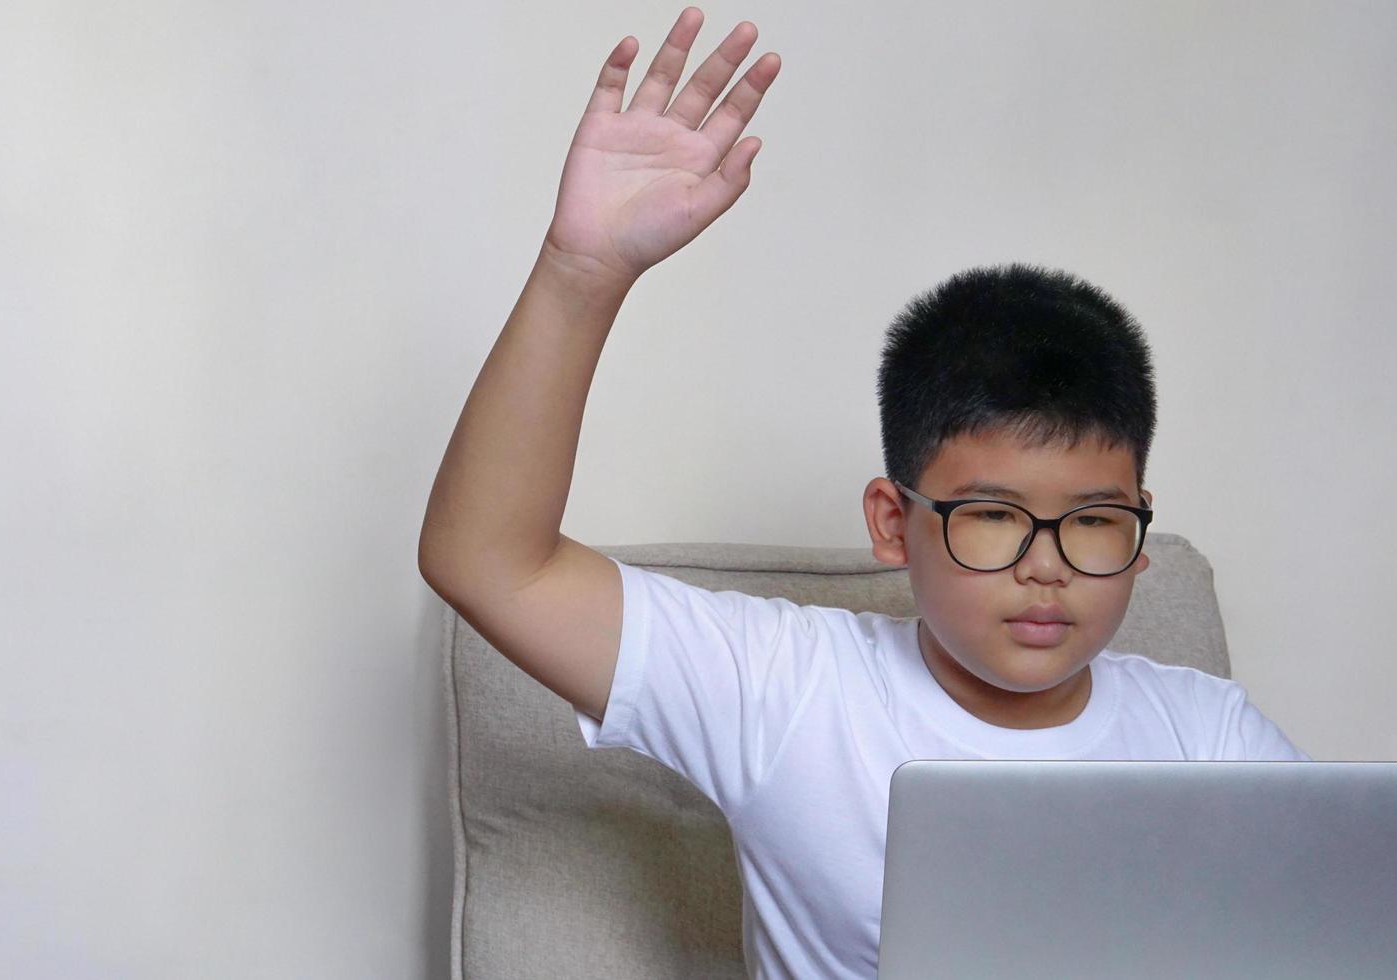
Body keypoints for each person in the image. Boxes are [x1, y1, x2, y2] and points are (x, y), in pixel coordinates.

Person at [418, 7, 1309, 978]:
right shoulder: (789, 690)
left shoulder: (1211, 734)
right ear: (894, 522)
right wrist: (580, 273)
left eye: (1094, 522)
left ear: (1140, 532)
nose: (1047, 567)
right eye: (994, 517)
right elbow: (489, 562)